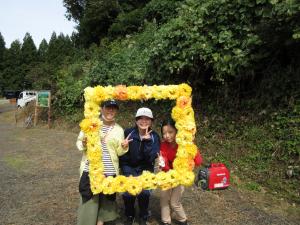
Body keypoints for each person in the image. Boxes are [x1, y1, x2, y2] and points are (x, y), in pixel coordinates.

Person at [76, 100, 128, 225]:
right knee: (89, 200)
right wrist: (83, 143)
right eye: (108, 107)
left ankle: (103, 221)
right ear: (102, 108)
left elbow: (119, 152)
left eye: (114, 108)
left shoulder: (119, 129)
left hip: (110, 171)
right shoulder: (90, 124)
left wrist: (124, 146)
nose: (111, 110)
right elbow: (79, 143)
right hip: (91, 171)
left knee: (107, 203)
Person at [119, 107, 160, 225]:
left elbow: (151, 158)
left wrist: (147, 142)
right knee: (128, 193)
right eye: (140, 118)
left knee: (144, 193)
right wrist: (123, 146)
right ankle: (129, 214)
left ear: (151, 121)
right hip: (129, 167)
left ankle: (143, 215)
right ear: (136, 120)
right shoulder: (128, 132)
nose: (144, 121)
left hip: (146, 169)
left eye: (147, 119)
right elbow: (123, 155)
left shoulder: (154, 137)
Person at [158, 118, 202, 225]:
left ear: (177, 131)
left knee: (174, 202)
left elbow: (198, 161)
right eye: (164, 133)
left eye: (170, 132)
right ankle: (166, 221)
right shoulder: (163, 145)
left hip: (180, 176)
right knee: (164, 198)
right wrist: (162, 163)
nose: (167, 136)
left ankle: (183, 220)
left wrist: (191, 150)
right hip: (167, 175)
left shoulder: (184, 145)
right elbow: (165, 166)